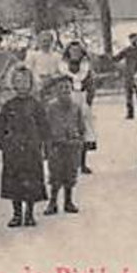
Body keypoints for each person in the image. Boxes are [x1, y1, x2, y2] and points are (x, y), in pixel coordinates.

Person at [0, 65, 48, 227]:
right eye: (18, 81)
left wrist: (45, 145)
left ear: (31, 83)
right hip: (13, 150)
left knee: (31, 181)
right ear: (13, 84)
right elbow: (0, 126)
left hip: (31, 149)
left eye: (25, 81)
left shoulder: (36, 105)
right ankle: (16, 214)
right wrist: (2, 144)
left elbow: (44, 126)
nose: (22, 85)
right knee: (14, 182)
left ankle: (29, 214)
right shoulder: (8, 105)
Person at [43, 77, 84, 215]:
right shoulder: (51, 107)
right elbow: (46, 128)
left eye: (67, 88)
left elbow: (81, 126)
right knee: (55, 174)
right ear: (56, 91)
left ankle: (68, 201)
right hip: (56, 146)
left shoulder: (76, 107)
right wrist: (47, 148)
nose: (65, 91)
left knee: (70, 173)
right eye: (61, 88)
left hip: (72, 145)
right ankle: (53, 202)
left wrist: (79, 140)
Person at [58, 39, 98, 174]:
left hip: (82, 98)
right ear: (68, 52)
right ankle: (68, 163)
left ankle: (82, 163)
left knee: (83, 130)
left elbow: (91, 85)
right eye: (72, 50)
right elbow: (60, 84)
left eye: (78, 51)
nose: (75, 53)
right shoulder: (63, 67)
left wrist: (89, 100)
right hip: (68, 99)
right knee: (67, 130)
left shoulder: (86, 67)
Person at [113, 32, 137, 119]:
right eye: (132, 38)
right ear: (130, 40)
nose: (134, 40)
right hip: (128, 75)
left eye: (136, 38)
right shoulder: (126, 50)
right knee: (128, 96)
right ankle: (130, 113)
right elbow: (116, 58)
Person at [26, 28, 64, 97]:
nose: (46, 44)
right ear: (39, 42)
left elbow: (62, 71)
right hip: (37, 84)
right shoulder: (33, 55)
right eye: (44, 41)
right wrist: (39, 81)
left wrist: (52, 78)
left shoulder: (57, 56)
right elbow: (29, 70)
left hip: (53, 83)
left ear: (52, 42)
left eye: (48, 41)